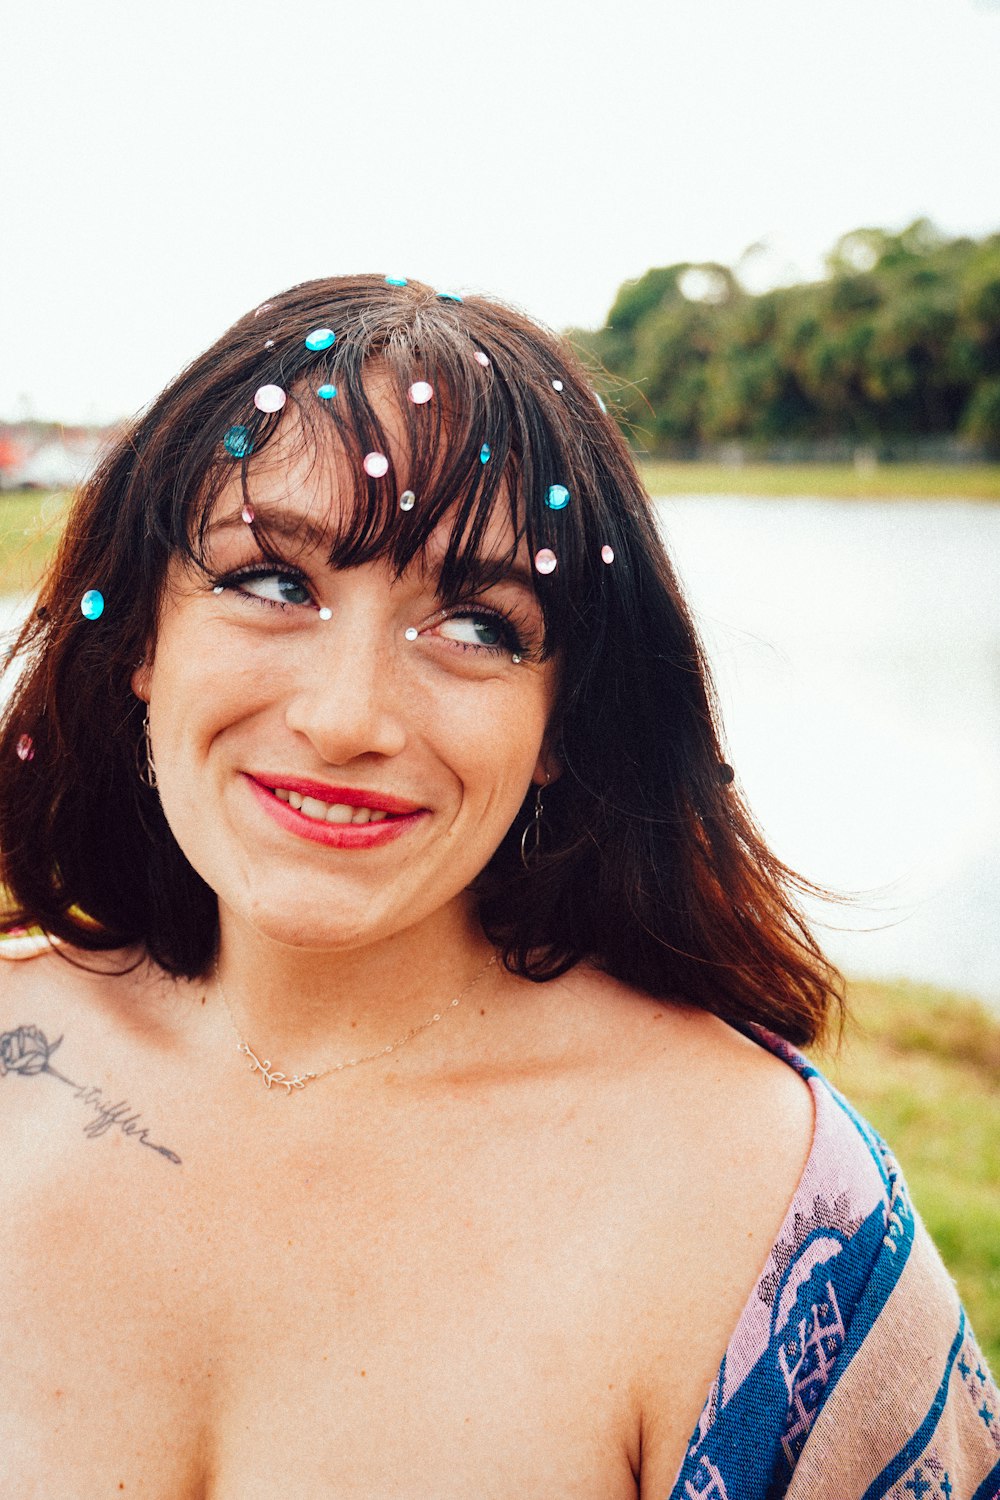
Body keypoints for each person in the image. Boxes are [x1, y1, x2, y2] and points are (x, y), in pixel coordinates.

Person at [0, 274, 995, 1500]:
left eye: (476, 624)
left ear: (562, 717)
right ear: (143, 636)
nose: (346, 716)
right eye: (270, 583)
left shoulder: (766, 1213)